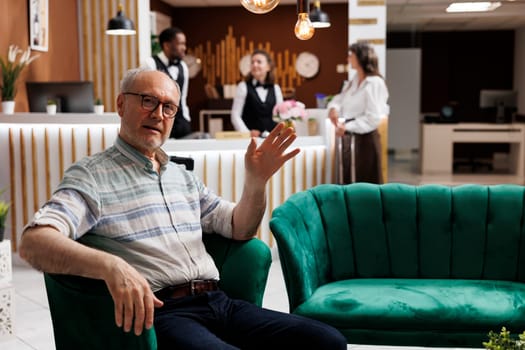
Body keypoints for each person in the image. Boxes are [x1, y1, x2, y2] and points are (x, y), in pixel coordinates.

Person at [19, 67, 347, 350]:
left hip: (218, 301)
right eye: (148, 101)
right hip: (163, 312)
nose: (158, 114)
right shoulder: (92, 175)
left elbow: (239, 226)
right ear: (121, 104)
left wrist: (256, 183)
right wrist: (111, 266)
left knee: (326, 341)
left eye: (168, 108)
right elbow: (35, 242)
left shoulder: (182, 175)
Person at [327, 41, 389, 184]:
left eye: (351, 55)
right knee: (349, 181)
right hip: (349, 138)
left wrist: (347, 127)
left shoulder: (374, 83)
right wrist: (333, 108)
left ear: (361, 57)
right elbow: (339, 99)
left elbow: (373, 118)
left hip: (366, 141)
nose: (348, 59)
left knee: (365, 182)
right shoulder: (353, 81)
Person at [143, 27, 192, 139]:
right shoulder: (150, 64)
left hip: (181, 122)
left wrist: (186, 119)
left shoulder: (183, 67)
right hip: (159, 121)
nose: (184, 48)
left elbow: (183, 98)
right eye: (181, 44)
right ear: (167, 45)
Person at [231, 49, 284, 138]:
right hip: (251, 140)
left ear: (268, 67)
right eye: (252, 62)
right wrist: (246, 133)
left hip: (273, 139)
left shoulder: (276, 88)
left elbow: (280, 114)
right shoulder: (243, 86)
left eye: (259, 62)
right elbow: (235, 115)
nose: (254, 65)